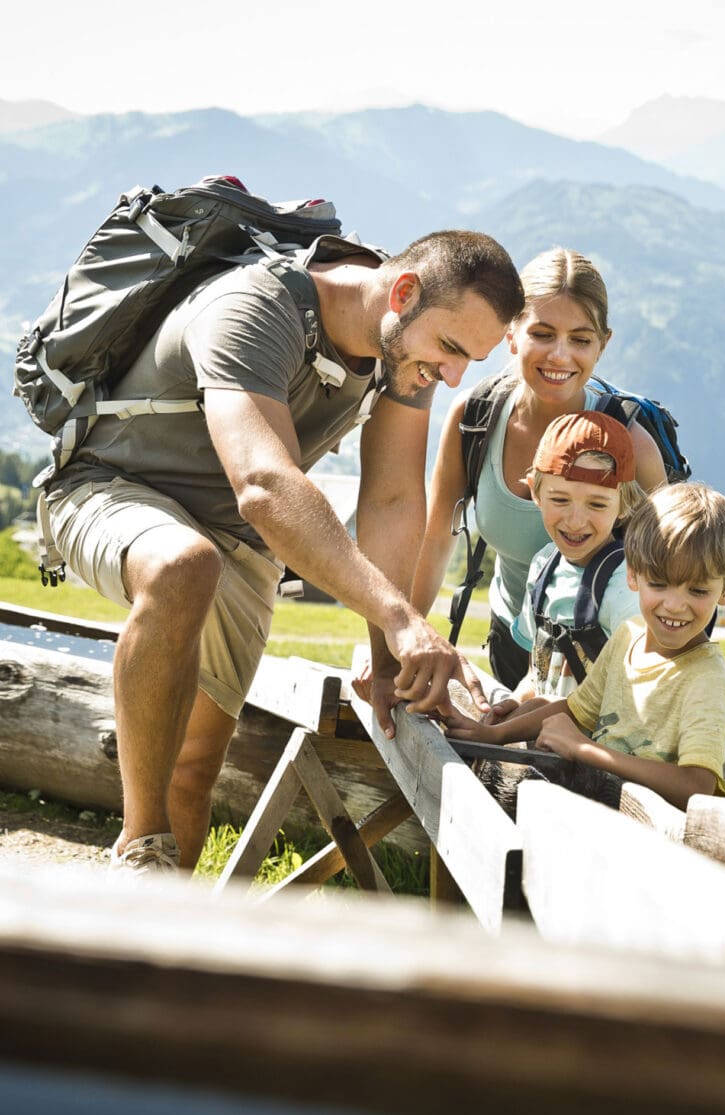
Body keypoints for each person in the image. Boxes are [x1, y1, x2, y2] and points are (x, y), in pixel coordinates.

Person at [45, 228, 525, 873]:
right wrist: (403, 620)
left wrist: (388, 660)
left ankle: (159, 949)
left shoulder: (405, 349)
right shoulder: (254, 307)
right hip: (113, 487)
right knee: (184, 565)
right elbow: (265, 488)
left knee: (193, 769)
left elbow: (389, 500)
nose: (455, 374)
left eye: (472, 360)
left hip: (236, 545)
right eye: (450, 348)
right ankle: (140, 847)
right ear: (403, 293)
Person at [409, 247, 667, 690]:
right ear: (512, 334)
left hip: (612, 661)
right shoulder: (475, 419)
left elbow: (675, 563)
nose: (560, 356)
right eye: (543, 334)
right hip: (515, 640)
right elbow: (435, 540)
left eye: (581, 339)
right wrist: (407, 639)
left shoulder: (631, 445)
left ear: (603, 344)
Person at [439, 483, 725, 810]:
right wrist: (495, 735)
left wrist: (585, 750)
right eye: (658, 584)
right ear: (633, 576)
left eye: (697, 591)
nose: (674, 605)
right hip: (598, 817)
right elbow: (574, 708)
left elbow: (696, 786)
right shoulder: (628, 637)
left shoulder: (705, 678)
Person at [508, 409, 645, 702]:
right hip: (544, 741)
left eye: (596, 505)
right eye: (559, 500)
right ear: (535, 492)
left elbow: (636, 696)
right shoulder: (543, 567)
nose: (575, 521)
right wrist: (512, 704)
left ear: (624, 504)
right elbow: (538, 673)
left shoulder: (629, 586)